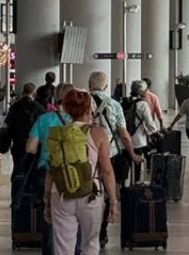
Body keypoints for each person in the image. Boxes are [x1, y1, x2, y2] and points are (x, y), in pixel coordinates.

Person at [44, 90, 119, 255]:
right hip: (90, 194)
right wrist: (113, 201)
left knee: (63, 248)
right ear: (89, 109)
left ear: (67, 109)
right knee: (90, 244)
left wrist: (47, 200)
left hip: (61, 193)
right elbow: (106, 171)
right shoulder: (98, 133)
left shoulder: (58, 134)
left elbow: (51, 170)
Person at [89, 72, 142, 248]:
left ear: (90, 85)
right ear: (105, 86)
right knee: (107, 190)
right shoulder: (114, 105)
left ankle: (86, 229)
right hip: (109, 153)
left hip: (85, 153)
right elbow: (124, 135)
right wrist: (133, 154)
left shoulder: (81, 102)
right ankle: (102, 231)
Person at [25, 83, 76, 255]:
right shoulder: (79, 121)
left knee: (49, 217)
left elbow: (30, 148)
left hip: (46, 172)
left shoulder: (44, 119)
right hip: (73, 174)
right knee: (75, 217)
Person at [4, 82, 47, 175]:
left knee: (18, 169)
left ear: (23, 92)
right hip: (34, 146)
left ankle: (17, 187)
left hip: (17, 145)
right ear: (34, 94)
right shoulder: (39, 108)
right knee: (32, 172)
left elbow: (8, 126)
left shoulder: (14, 107)